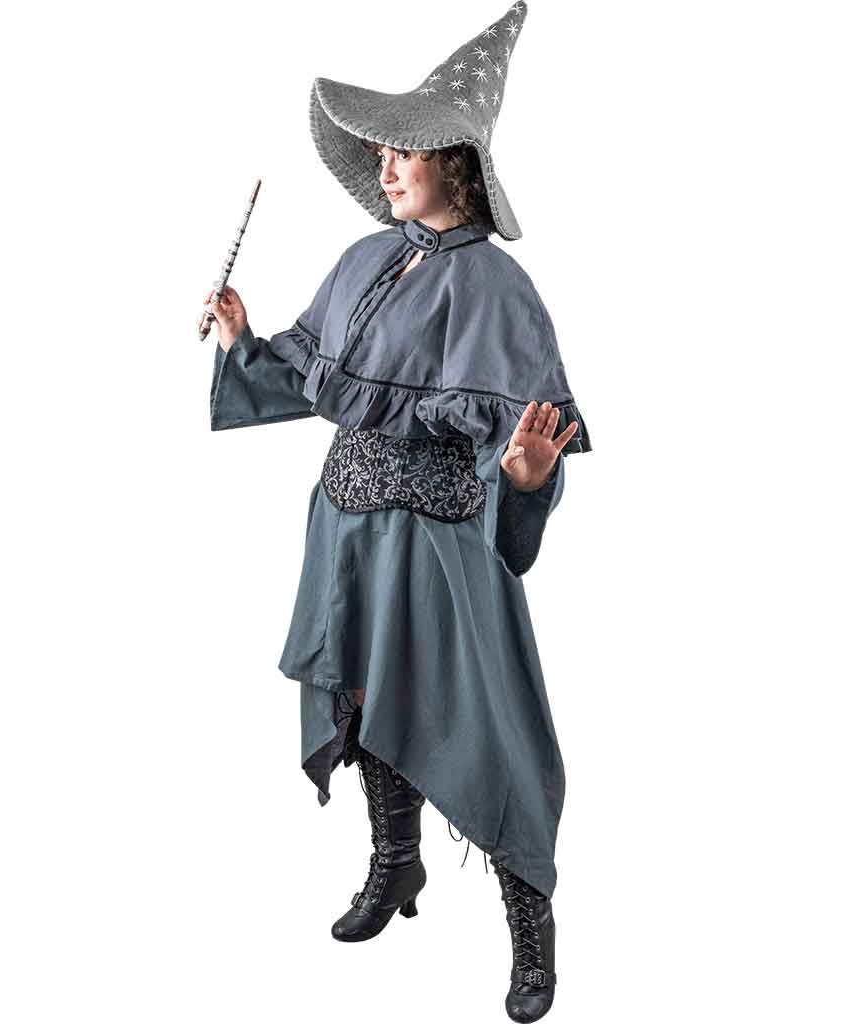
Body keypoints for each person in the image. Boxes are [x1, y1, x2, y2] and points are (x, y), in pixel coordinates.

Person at [204, 4, 591, 1020]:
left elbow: (527, 445)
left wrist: (523, 474)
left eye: (403, 148)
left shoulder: (498, 289)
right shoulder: (366, 260)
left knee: (491, 728)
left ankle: (532, 928)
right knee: (365, 700)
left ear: (453, 164)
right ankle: (395, 859)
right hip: (343, 524)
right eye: (381, 148)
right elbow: (303, 372)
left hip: (436, 541)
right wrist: (244, 340)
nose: (384, 163)